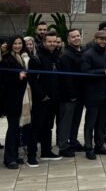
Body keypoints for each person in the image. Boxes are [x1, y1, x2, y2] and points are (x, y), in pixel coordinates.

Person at [28, 30, 62, 163]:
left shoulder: (57, 56)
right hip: (41, 99)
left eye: (54, 41)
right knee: (36, 127)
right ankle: (31, 156)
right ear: (44, 42)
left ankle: (46, 151)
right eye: (50, 41)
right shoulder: (36, 58)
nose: (52, 44)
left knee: (48, 126)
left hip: (54, 99)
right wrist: (42, 95)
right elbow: (32, 80)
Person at [81, 30, 106, 160]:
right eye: (101, 39)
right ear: (95, 39)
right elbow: (85, 72)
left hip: (105, 93)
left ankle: (99, 146)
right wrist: (103, 71)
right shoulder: (88, 54)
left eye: (105, 39)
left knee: (102, 123)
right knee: (90, 123)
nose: (103, 41)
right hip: (92, 94)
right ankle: (88, 147)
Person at [0, 36, 29, 169]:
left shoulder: (19, 57)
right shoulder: (7, 59)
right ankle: (9, 158)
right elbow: (3, 80)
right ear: (11, 44)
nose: (17, 46)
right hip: (11, 99)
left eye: (20, 43)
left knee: (16, 129)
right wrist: (19, 77)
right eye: (15, 43)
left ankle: (15, 155)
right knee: (12, 129)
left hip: (19, 98)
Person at [57, 28, 85, 157]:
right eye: (73, 37)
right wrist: (71, 95)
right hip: (69, 95)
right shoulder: (66, 55)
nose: (76, 38)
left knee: (76, 120)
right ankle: (63, 146)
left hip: (81, 93)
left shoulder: (83, 52)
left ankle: (73, 141)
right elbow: (66, 78)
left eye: (78, 35)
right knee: (66, 121)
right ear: (68, 39)